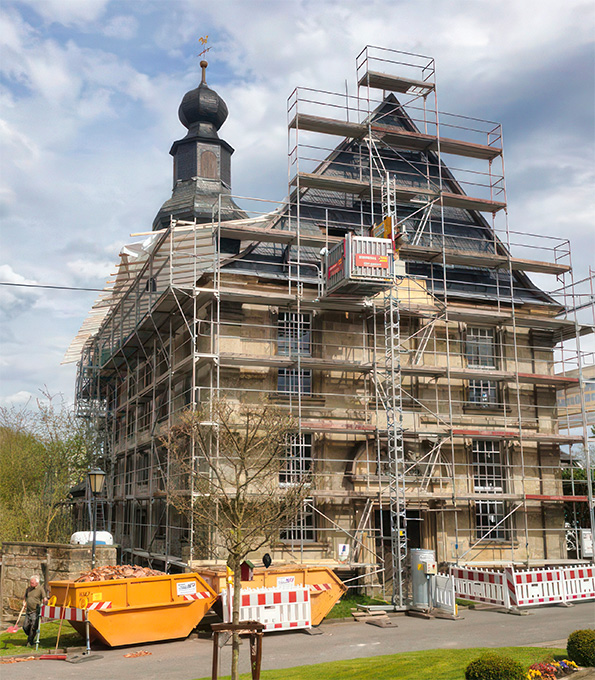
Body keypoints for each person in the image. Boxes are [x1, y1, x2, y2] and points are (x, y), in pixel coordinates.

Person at [22, 575, 47, 647]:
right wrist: (24, 602)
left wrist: (45, 602)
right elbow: (25, 597)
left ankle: (30, 641)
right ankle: (31, 635)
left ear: (37, 583)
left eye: (32, 583)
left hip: (35, 611)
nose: (31, 584)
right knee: (25, 627)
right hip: (28, 611)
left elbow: (44, 598)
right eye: (30, 582)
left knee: (33, 627)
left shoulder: (40, 589)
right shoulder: (28, 589)